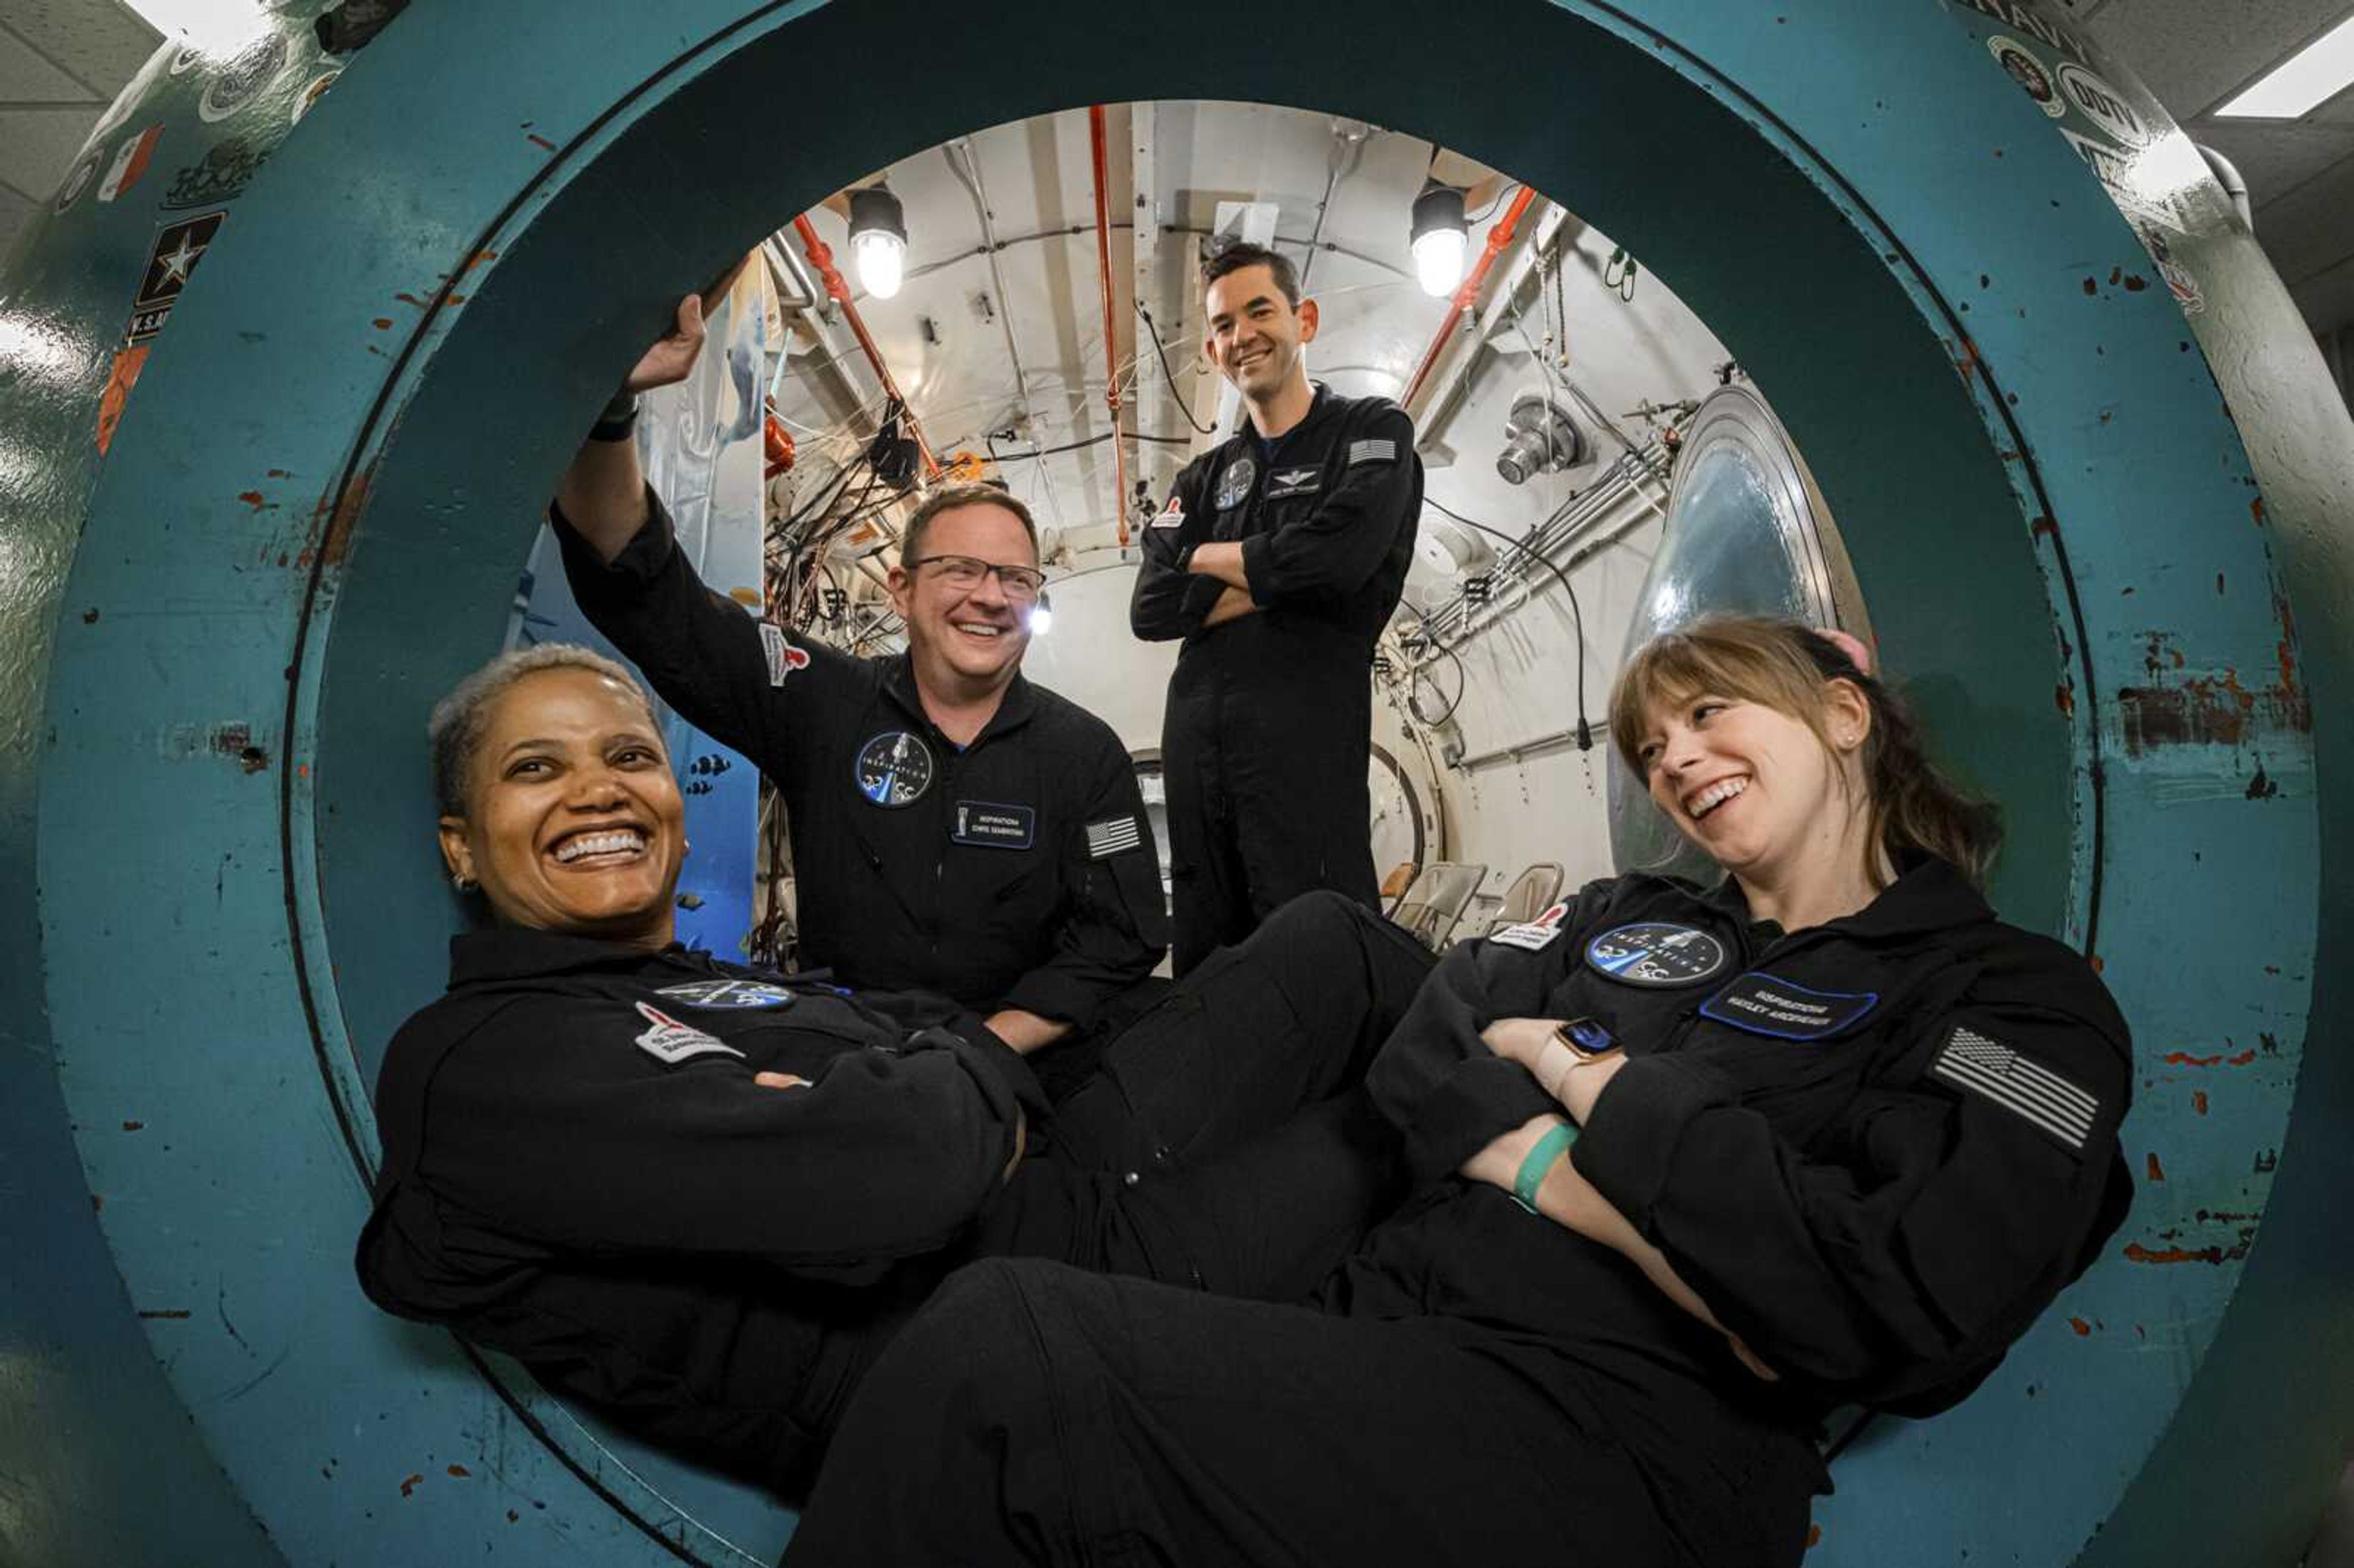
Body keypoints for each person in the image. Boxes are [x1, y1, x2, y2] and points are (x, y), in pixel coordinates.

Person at [781, 616, 2137, 1568]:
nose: (1676, 758)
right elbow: (1433, 1051)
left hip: (1608, 1440)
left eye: (1710, 711)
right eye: (1652, 743)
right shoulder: (1631, 914)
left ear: (1845, 713)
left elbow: (1892, 1300)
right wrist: (1592, 1188)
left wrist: (1581, 1079)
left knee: (1001, 1351)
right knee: (952, 1298)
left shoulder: (2004, 999)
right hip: (1390, 1313)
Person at [354, 644, 1433, 1496]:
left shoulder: (686, 983)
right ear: (459, 845)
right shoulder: (480, 1063)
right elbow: (896, 1168)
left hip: (1058, 1169)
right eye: (536, 767)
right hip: (1053, 1312)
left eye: (630, 757)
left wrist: (927, 1076)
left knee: (1334, 944)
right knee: (1426, 1125)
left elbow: (922, 1032)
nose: (598, 791)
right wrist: (919, 1089)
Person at [552, 295, 1163, 1061]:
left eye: (1014, 576)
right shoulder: (823, 701)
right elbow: (647, 596)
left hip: (1014, 1066)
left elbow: (1123, 931)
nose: (989, 595)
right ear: (901, 591)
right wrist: (608, 408)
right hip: (845, 1059)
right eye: (960, 569)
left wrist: (984, 1050)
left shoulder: (1085, 753)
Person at [1130, 240, 1423, 973]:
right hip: (1199, 741)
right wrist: (1279, 574)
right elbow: (1150, 606)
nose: (1243, 335)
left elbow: (1338, 560)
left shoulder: (1372, 431)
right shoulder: (1202, 477)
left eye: (1260, 310)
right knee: (1206, 950)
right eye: (1224, 324)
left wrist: (1198, 557)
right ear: (1212, 347)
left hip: (1306, 734)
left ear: (1306, 319)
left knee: (1319, 937)